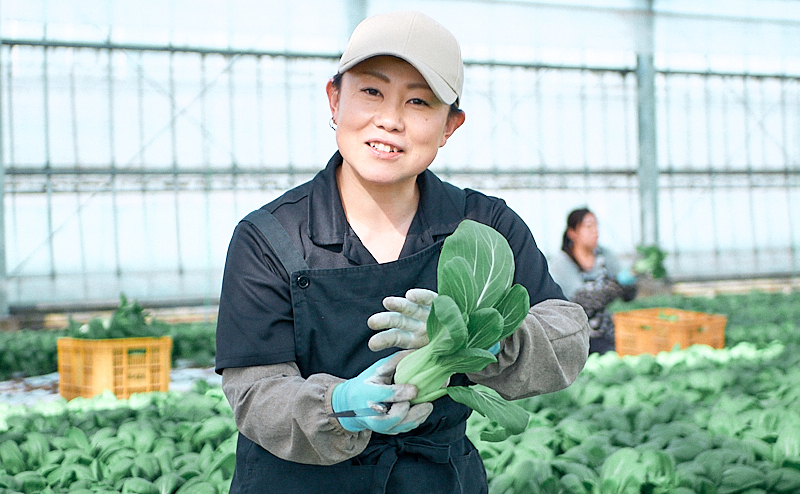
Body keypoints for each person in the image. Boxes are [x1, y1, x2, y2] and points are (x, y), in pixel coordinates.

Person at [215, 11, 590, 494]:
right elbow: (254, 391)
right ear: (334, 99)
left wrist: (483, 341)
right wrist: (341, 407)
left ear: (450, 125)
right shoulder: (269, 238)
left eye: (418, 101)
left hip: (434, 477)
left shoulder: (483, 226)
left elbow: (568, 335)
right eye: (372, 91)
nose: (390, 120)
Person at [548, 208, 637, 355]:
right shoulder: (562, 262)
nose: (595, 231)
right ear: (572, 233)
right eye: (588, 226)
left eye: (596, 226)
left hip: (607, 335)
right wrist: (616, 286)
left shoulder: (605, 255)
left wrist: (630, 282)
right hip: (575, 337)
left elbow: (628, 296)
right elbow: (582, 301)